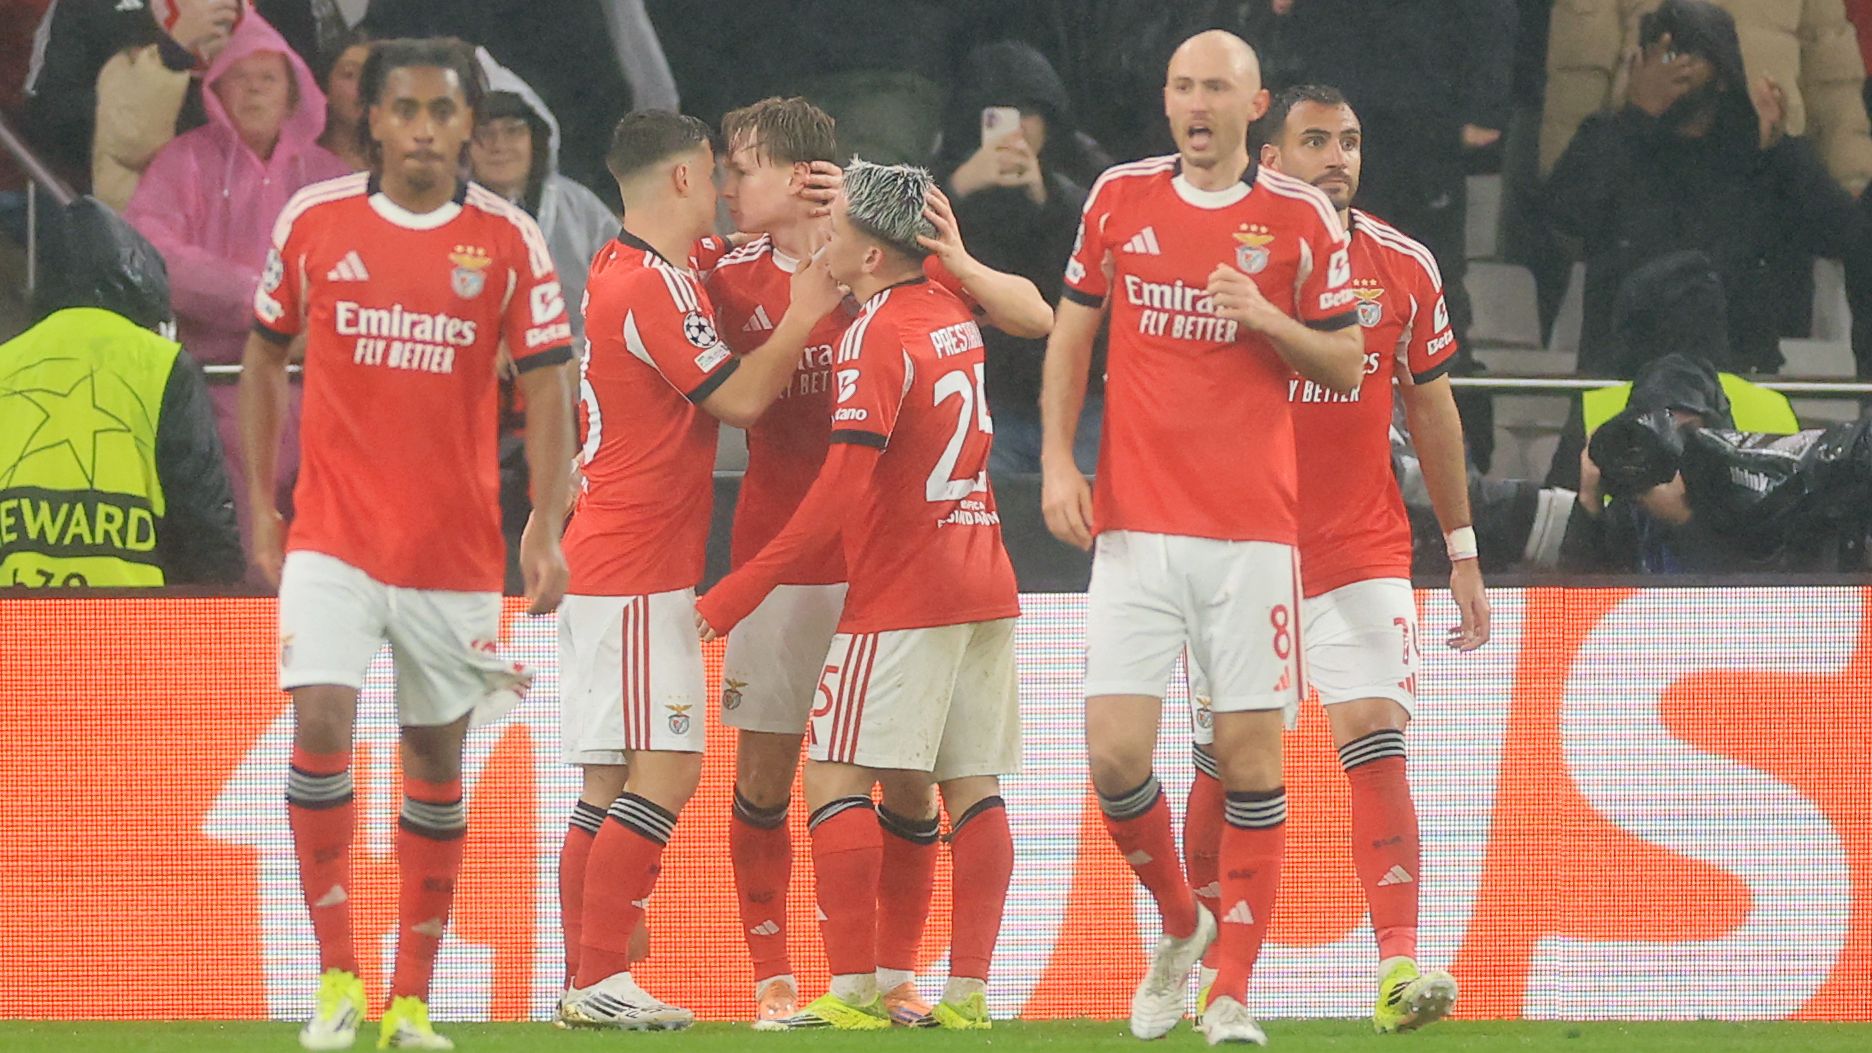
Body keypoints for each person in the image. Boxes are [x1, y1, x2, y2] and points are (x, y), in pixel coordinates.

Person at [237, 36, 574, 1051]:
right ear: (373, 121)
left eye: (443, 111)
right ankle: (339, 981)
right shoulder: (315, 221)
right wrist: (263, 505)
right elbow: (262, 357)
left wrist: (546, 524)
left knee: (435, 756)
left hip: (453, 552)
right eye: (406, 110)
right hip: (333, 535)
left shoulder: (509, 240)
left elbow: (549, 385)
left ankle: (411, 1002)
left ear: (468, 125)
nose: (424, 128)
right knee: (322, 722)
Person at [696, 96, 1050, 1029]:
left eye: (743, 168)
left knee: (887, 781)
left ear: (804, 178)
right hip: (852, 559)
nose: (728, 186)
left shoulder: (883, 297)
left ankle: (878, 980)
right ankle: (780, 979)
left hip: (878, 567)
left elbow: (1033, 313)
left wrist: (729, 593)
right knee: (768, 779)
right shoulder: (727, 273)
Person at [1039, 30, 1363, 1045]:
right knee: (1113, 755)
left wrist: (1267, 317)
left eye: (1215, 87)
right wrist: (1056, 461)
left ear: (1254, 105)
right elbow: (1073, 331)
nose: (1195, 102)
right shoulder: (1119, 197)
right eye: (1182, 85)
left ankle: (1230, 995)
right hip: (1134, 528)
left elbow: (1348, 364)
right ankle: (1183, 923)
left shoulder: (1301, 217)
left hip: (1251, 533)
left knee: (1249, 759)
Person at [1180, 84, 1491, 1037]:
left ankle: (1398, 968)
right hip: (1240, 552)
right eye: (1315, 140)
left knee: (1375, 737)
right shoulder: (1218, 265)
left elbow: (1431, 406)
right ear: (1271, 159)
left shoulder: (1402, 265)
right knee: (1226, 766)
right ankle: (1212, 970)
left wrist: (1463, 550)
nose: (1338, 158)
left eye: (1350, 141)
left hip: (1360, 545)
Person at [540, 109, 842, 1030]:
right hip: (636, 568)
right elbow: (743, 398)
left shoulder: (625, 265)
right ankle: (599, 976)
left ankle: (584, 975)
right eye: (713, 173)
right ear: (680, 178)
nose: (721, 189)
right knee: (667, 769)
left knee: (605, 782)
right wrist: (808, 304)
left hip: (606, 557)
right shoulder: (652, 287)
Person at [125, 11, 350, 572]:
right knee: (240, 557)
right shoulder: (183, 162)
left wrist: (312, 323)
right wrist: (263, 300)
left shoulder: (330, 178)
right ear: (216, 88)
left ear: (294, 90)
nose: (253, 90)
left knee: (329, 555)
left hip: (323, 396)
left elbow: (365, 270)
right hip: (218, 393)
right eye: (239, 77)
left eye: (268, 78)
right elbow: (155, 252)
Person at [1545, 0, 1872, 374]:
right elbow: (1562, 220)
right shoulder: (1612, 143)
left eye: (1687, 54)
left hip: (1736, 377)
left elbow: (1845, 234)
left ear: (1723, 73)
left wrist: (1781, 148)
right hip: (1625, 376)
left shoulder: (1759, 161)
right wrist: (1634, 117)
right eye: (1661, 53)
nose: (1673, 69)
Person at [1, 195, 242, 587]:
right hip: (132, 612)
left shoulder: (6, 362)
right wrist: (223, 599)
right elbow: (202, 515)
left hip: (14, 612)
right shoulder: (161, 363)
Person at [932, 39, 1106, 476]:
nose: (1016, 129)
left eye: (1028, 113)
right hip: (987, 396)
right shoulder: (940, 172)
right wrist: (959, 187)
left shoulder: (1083, 169)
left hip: (1079, 399)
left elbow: (1103, 254)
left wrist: (1046, 197)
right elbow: (900, 250)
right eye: (998, 115)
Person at [318, 32, 372, 171]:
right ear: (324, 86)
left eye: (371, 75)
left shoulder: (396, 159)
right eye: (349, 75)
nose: (364, 86)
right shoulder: (302, 165)